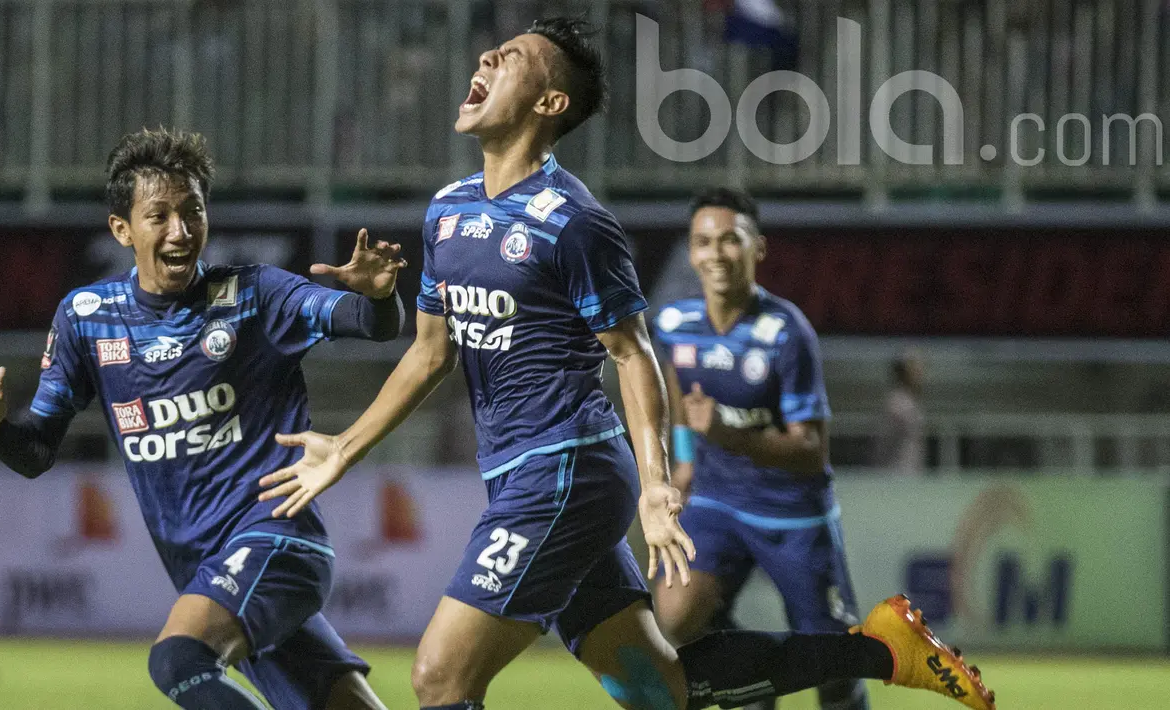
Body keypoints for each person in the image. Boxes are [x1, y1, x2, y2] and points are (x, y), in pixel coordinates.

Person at [257, 18, 996, 710]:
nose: (485, 59)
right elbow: (428, 354)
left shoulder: (574, 222)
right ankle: (881, 652)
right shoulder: (446, 212)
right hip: (518, 475)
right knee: (658, 686)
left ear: (550, 101)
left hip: (565, 471)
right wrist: (343, 449)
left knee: (438, 676)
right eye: (490, 52)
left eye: (509, 57)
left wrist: (654, 489)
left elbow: (633, 354)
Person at [0, 127, 403, 710]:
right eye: (159, 216)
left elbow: (370, 324)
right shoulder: (87, 318)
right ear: (122, 230)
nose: (181, 231)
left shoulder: (254, 295)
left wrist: (378, 296)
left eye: (193, 212)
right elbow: (36, 452)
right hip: (207, 571)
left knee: (178, 660)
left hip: (276, 540)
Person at [650, 188, 868, 710]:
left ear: (758, 249)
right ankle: (754, 686)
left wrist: (729, 435)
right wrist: (683, 464)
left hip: (792, 514)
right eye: (703, 242)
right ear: (690, 250)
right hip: (716, 501)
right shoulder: (676, 325)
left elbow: (811, 450)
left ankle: (811, 677)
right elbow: (683, 397)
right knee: (674, 616)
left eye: (731, 240)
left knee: (833, 666)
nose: (716, 254)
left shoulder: (786, 333)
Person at [874, 351, 927, 475]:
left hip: (911, 470)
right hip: (896, 473)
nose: (920, 372)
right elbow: (883, 445)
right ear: (904, 373)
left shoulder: (911, 400)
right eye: (914, 367)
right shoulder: (896, 403)